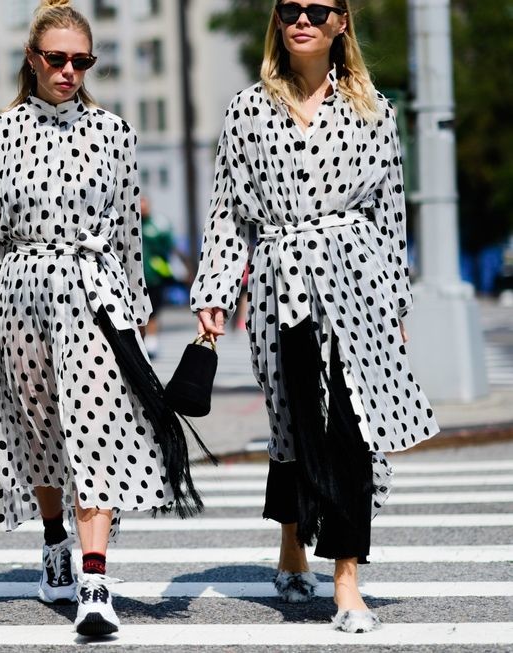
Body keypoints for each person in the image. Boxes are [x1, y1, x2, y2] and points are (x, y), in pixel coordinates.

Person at [0, 0, 204, 638]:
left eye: (81, 61)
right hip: (21, 298)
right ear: (32, 58)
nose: (69, 71)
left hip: (96, 295)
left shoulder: (116, 132)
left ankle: (95, 580)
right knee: (40, 433)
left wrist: (138, 311)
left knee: (97, 430)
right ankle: (55, 541)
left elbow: (127, 230)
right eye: (57, 59)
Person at [191, 0, 439, 634]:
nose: (303, 19)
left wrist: (396, 304)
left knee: (351, 430)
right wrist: (215, 293)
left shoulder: (372, 110)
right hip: (280, 285)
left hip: (356, 283)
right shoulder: (247, 109)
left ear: (341, 22)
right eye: (290, 9)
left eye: (318, 9)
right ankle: (292, 541)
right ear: (278, 21)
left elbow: (390, 216)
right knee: (294, 423)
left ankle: (348, 580)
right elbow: (228, 212)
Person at [139, 197, 175, 358]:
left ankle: (152, 344)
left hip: (155, 276)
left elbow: (168, 245)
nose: (142, 207)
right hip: (135, 277)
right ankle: (141, 343)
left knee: (153, 312)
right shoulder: (129, 224)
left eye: (144, 203)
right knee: (137, 314)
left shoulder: (158, 225)